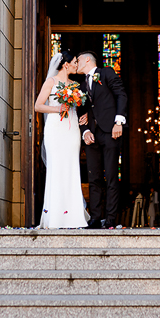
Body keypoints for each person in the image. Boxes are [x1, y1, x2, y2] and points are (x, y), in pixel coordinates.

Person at [33, 48, 89, 229]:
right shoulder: (51, 82)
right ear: (65, 64)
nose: (76, 65)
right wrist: (57, 109)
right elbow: (38, 106)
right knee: (57, 169)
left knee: (71, 169)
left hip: (72, 130)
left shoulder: (75, 85)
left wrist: (85, 115)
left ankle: (73, 216)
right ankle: (55, 216)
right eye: (74, 62)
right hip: (55, 130)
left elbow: (80, 107)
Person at [77, 51, 128, 229]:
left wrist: (118, 122)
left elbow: (121, 94)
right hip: (92, 135)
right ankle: (95, 218)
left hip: (110, 132)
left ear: (87, 60)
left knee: (111, 177)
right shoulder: (81, 86)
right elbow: (81, 112)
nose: (76, 63)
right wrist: (85, 131)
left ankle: (111, 219)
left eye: (78, 60)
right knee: (94, 178)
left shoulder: (106, 72)